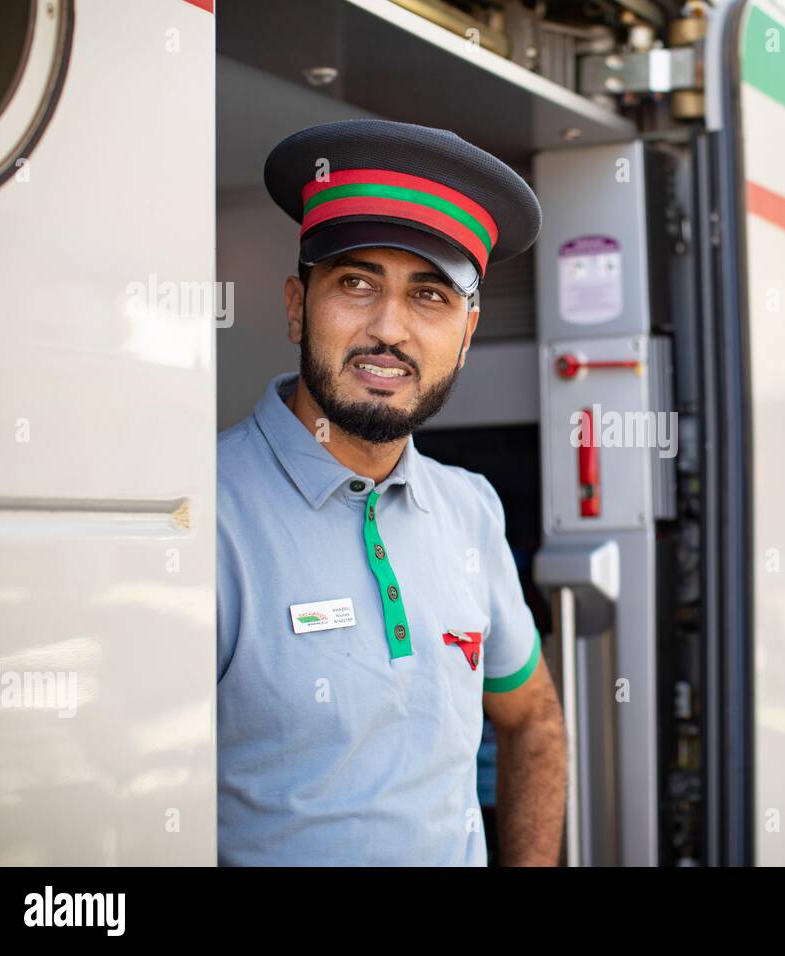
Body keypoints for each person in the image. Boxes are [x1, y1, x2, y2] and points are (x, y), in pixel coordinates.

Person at [215, 119, 566, 866]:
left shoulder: (470, 509)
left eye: (429, 295)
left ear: (466, 336)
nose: (389, 329)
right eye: (355, 282)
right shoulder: (195, 515)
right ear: (296, 307)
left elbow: (531, 714)